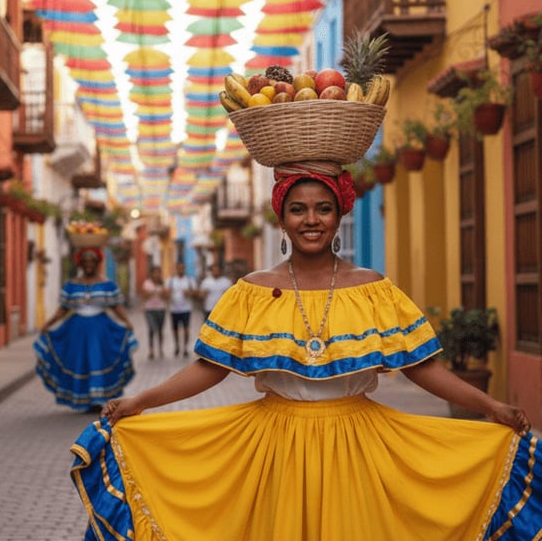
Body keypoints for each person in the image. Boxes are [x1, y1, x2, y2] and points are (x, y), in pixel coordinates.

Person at [69, 163, 540, 540]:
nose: (311, 220)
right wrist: (139, 402)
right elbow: (210, 370)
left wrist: (489, 406)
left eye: (323, 209)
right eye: (298, 209)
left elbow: (421, 367)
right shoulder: (251, 291)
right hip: (273, 447)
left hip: (360, 444)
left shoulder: (372, 289)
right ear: (281, 217)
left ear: (340, 215)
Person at [34, 247, 137, 413]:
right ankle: (84, 399)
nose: (89, 265)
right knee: (79, 362)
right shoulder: (72, 285)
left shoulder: (107, 285)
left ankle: (97, 399)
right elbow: (63, 309)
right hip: (76, 330)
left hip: (101, 330)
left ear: (97, 264)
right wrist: (49, 323)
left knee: (99, 360)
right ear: (80, 264)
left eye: (92, 262)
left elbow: (115, 306)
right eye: (85, 262)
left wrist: (126, 321)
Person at [166, 261, 196, 357]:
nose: (180, 270)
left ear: (184, 269)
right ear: (176, 269)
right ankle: (177, 346)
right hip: (174, 309)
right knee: (175, 330)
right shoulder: (170, 281)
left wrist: (190, 293)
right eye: (178, 268)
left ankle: (185, 347)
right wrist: (168, 295)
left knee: (186, 329)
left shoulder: (189, 280)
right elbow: (165, 294)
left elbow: (196, 293)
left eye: (182, 268)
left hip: (186, 308)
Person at [140, 266, 169, 360]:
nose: (156, 274)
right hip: (149, 309)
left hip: (161, 309)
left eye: (158, 272)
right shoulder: (147, 283)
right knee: (152, 329)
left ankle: (160, 348)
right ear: (151, 274)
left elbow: (167, 296)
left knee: (160, 330)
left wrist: (162, 294)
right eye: (154, 272)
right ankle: (151, 350)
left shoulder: (163, 283)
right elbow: (143, 295)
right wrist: (152, 293)